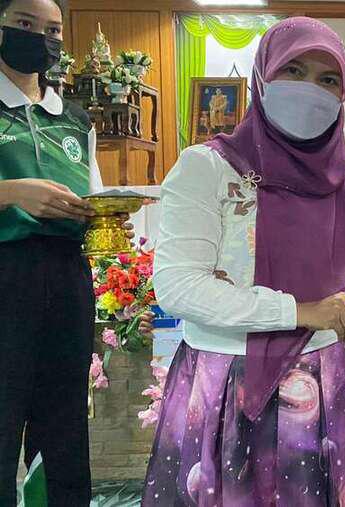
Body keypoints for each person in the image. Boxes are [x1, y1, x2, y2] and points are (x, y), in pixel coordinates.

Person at [142, 18, 345, 505]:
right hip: (228, 382)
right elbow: (178, 286)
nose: (309, 89)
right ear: (262, 76)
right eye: (293, 70)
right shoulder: (207, 167)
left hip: (328, 380)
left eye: (327, 79)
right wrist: (300, 311)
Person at [0, 1, 151, 504]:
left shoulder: (73, 117)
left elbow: (93, 192)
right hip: (6, 270)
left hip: (67, 276)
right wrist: (12, 193)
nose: (40, 37)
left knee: (64, 421)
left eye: (53, 29)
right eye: (25, 24)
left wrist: (107, 218)